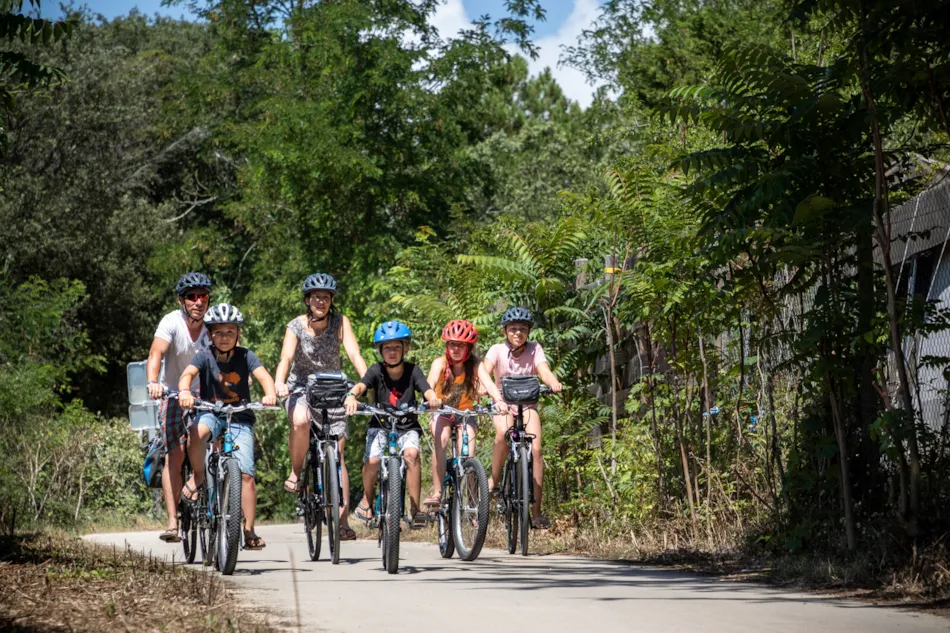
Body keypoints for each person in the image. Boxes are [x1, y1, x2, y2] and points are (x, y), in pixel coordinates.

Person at [274, 273, 367, 542]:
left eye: (326, 298)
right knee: (301, 420)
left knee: (337, 453)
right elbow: (286, 357)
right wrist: (280, 382)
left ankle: (342, 521)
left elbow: (354, 354)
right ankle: (296, 469)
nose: (321, 301)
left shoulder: (340, 322)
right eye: (316, 297)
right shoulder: (295, 326)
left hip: (333, 386)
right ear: (307, 300)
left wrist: (365, 382)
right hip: (300, 386)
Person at [178, 303, 278, 550]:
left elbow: (264, 377)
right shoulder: (204, 355)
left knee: (246, 475)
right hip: (210, 411)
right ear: (210, 334)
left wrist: (270, 394)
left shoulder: (246, 356)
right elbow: (188, 374)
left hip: (240, 416)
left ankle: (249, 529)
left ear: (238, 334)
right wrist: (183, 391)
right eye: (219, 333)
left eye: (230, 332)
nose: (224, 338)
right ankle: (199, 474)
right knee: (196, 432)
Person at [344, 321, 440, 525]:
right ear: (381, 351)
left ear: (405, 348)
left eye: (397, 347)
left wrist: (432, 398)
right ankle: (367, 501)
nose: (392, 352)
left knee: (412, 455)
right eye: (387, 347)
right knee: (372, 461)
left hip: (407, 426)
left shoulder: (413, 370)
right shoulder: (376, 370)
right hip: (380, 424)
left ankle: (415, 510)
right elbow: (362, 385)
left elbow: (426, 388)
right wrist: (352, 395)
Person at [146, 272, 212, 542]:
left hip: (206, 396)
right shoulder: (171, 322)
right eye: (191, 297)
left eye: (203, 296)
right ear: (181, 300)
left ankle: (221, 505)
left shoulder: (215, 323)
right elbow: (156, 353)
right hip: (173, 394)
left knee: (219, 445)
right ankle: (173, 523)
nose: (198, 302)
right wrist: (153, 382)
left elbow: (235, 352)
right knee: (175, 454)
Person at [483, 307, 562, 529]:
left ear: (529, 332)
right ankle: (495, 480)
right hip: (504, 405)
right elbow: (485, 370)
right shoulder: (497, 350)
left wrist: (552, 382)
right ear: (505, 330)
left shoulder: (535, 349)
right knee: (503, 434)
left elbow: (543, 370)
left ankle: (536, 512)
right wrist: (485, 388)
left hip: (527, 406)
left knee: (536, 450)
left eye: (523, 329)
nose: (518, 333)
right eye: (513, 329)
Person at [423, 319, 507, 507]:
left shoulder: (475, 365)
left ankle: (473, 503)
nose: (456, 349)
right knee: (442, 439)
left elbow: (489, 384)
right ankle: (437, 492)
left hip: (466, 415)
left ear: (469, 348)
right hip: (442, 412)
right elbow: (429, 382)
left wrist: (499, 401)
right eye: (452, 344)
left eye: (461, 345)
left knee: (467, 455)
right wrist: (429, 399)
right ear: (447, 345)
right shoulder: (440, 363)